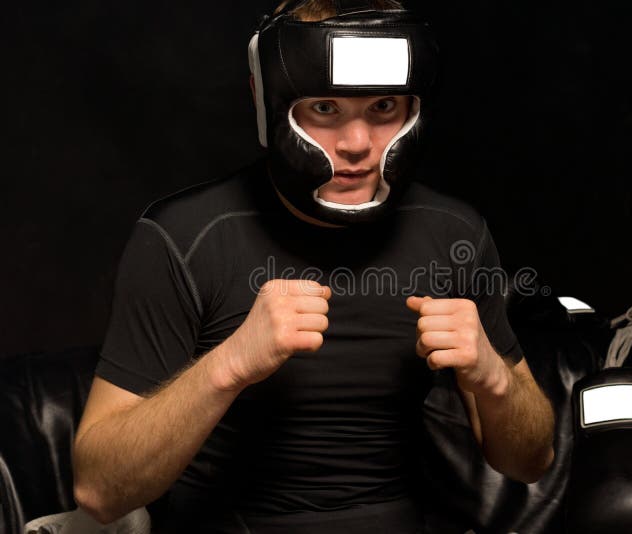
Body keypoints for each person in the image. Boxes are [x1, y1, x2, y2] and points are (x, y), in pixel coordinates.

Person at [71, 1, 555, 532]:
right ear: (270, 104)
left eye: (383, 107)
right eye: (325, 108)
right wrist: (227, 366)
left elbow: (530, 462)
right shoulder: (185, 237)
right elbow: (99, 491)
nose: (357, 145)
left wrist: (495, 379)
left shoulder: (453, 233)